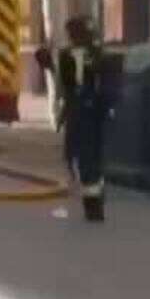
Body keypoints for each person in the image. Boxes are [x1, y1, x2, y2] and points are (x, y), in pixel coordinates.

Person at [37, 16, 112, 222]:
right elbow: (60, 77)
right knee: (72, 155)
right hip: (75, 109)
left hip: (92, 111)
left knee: (90, 157)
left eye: (77, 34)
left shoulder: (98, 55)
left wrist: (105, 107)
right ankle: (91, 189)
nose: (73, 38)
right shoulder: (66, 55)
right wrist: (44, 59)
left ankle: (94, 204)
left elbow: (106, 85)